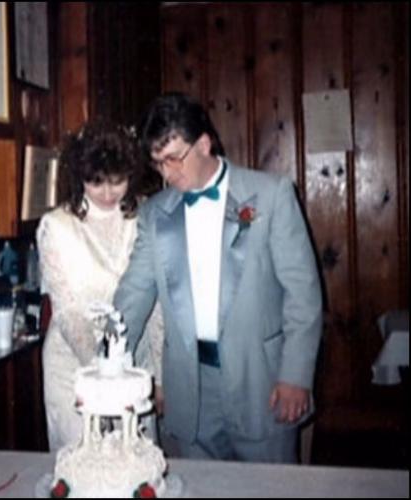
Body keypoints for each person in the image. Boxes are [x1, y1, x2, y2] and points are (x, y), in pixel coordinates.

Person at [113, 92, 322, 463]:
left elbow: (303, 294)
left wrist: (296, 374)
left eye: (174, 159)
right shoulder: (155, 214)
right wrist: (107, 360)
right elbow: (134, 292)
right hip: (191, 391)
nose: (167, 174)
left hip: (263, 381)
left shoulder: (271, 196)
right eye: (158, 164)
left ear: (204, 144)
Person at [37, 121, 163, 451]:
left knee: (134, 469)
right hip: (74, 371)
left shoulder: (146, 216)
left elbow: (156, 306)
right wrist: (102, 376)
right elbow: (67, 312)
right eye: (96, 182)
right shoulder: (56, 226)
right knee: (84, 469)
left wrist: (159, 376)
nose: (107, 193)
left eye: (117, 181)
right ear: (80, 177)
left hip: (136, 365)